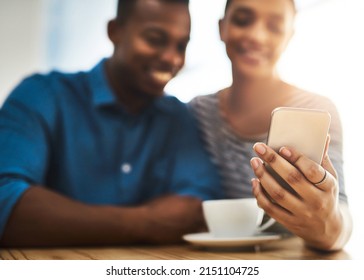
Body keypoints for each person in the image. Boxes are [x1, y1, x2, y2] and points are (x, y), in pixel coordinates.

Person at [0, 0, 222, 247]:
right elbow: (6, 200)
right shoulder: (41, 95)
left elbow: (201, 206)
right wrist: (144, 222)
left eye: (181, 45)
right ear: (114, 31)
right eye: (155, 39)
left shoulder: (178, 118)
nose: (173, 58)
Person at [190, 0, 352, 251]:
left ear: (289, 36)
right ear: (222, 28)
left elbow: (340, 217)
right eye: (243, 20)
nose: (256, 36)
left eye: (275, 26)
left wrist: (328, 227)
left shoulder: (317, 110)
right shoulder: (196, 112)